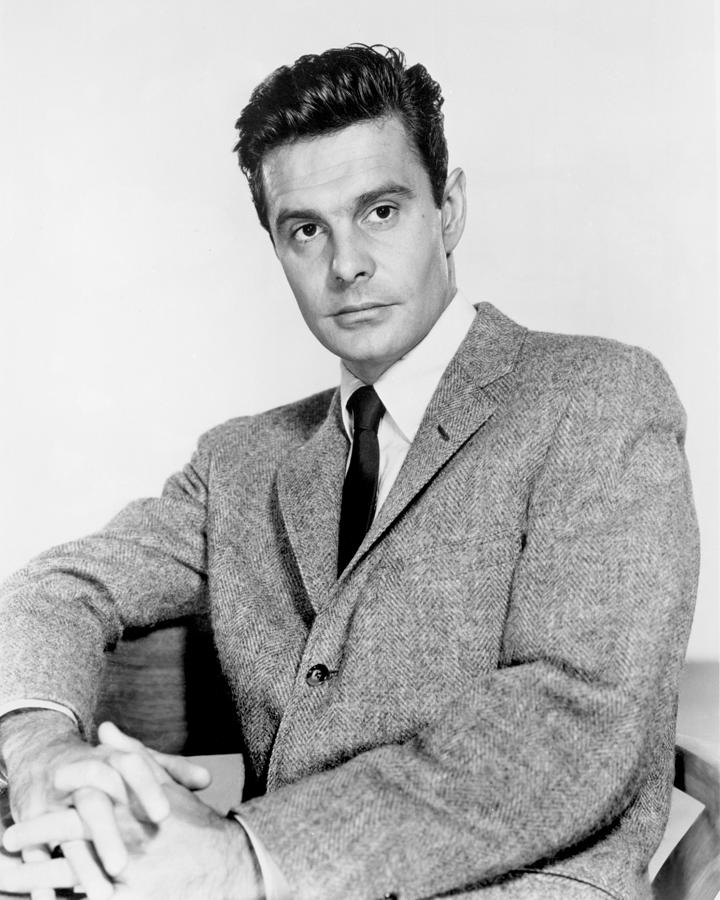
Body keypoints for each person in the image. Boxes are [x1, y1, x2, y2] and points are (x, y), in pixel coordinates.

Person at [0, 43, 699, 900]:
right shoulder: (240, 461)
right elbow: (55, 589)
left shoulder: (599, 396)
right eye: (306, 230)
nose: (346, 266)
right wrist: (40, 749)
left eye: (380, 211)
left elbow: (573, 724)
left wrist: (244, 856)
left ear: (449, 211)